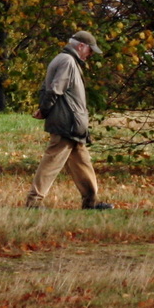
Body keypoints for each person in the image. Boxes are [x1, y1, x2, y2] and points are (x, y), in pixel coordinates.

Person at [26, 30, 113, 209]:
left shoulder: (67, 60)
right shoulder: (67, 61)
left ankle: (91, 201)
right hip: (67, 122)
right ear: (81, 46)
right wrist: (44, 110)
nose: (90, 55)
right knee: (52, 161)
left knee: (82, 163)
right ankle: (34, 201)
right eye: (90, 50)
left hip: (72, 124)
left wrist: (45, 110)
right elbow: (55, 90)